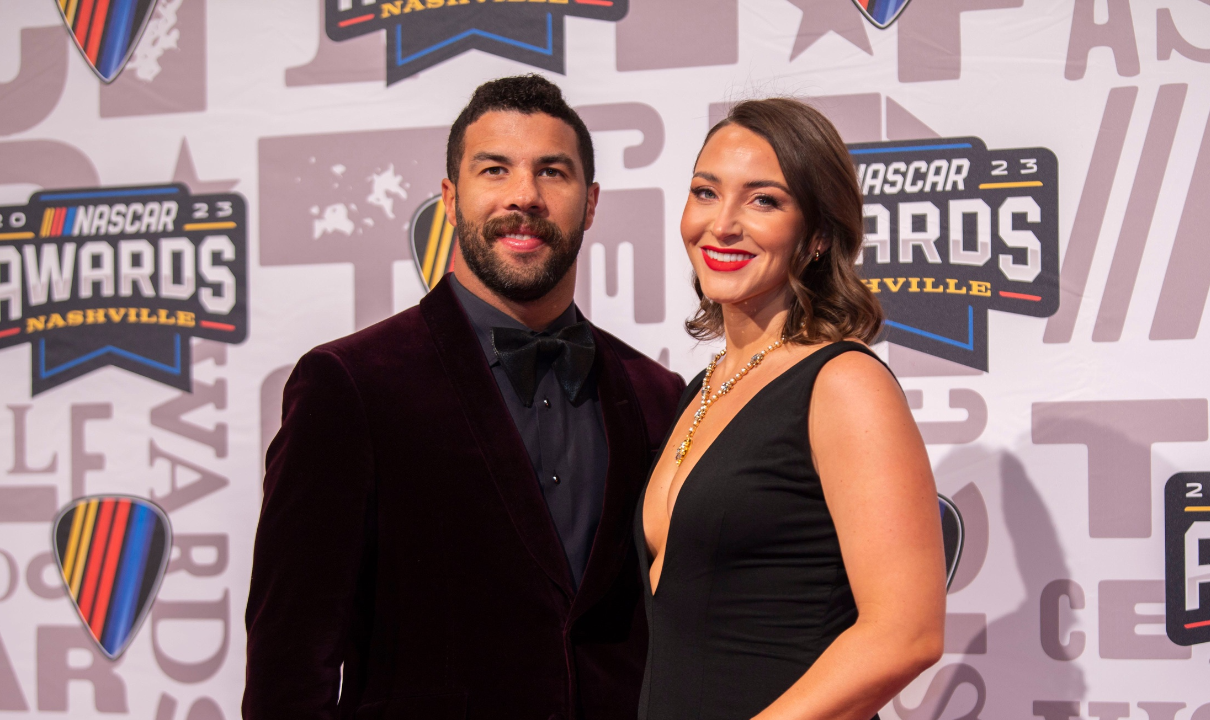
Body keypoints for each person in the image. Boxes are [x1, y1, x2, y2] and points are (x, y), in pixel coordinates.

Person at [243, 75, 686, 720]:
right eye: (494, 170)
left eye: (552, 172)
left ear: (590, 203)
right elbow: (290, 658)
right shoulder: (351, 384)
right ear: (450, 199)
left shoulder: (657, 396)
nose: (524, 197)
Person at [637, 99, 946, 719]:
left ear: (818, 236)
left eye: (763, 201)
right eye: (705, 192)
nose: (721, 225)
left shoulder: (843, 383)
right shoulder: (700, 388)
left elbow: (907, 633)